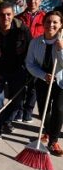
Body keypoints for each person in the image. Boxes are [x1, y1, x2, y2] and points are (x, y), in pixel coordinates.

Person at [0, 2, 31, 140]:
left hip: (17, 70)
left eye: (9, 14)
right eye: (2, 15)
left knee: (17, 102)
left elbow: (29, 51)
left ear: (13, 14)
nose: (5, 17)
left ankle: (7, 121)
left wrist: (28, 69)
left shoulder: (22, 30)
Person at [26, 10, 63, 156]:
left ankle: (54, 140)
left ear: (61, 25)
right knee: (44, 109)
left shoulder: (62, 42)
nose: (51, 25)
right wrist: (42, 75)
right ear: (44, 23)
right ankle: (46, 132)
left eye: (55, 22)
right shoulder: (35, 42)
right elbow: (29, 64)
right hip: (43, 80)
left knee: (59, 110)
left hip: (60, 81)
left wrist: (60, 49)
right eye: (48, 21)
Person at [15, 0, 46, 123]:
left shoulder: (45, 18)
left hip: (39, 56)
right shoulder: (19, 18)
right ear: (26, 1)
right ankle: (19, 111)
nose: (32, 2)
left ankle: (28, 111)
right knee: (21, 84)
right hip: (22, 56)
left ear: (40, 1)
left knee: (33, 86)